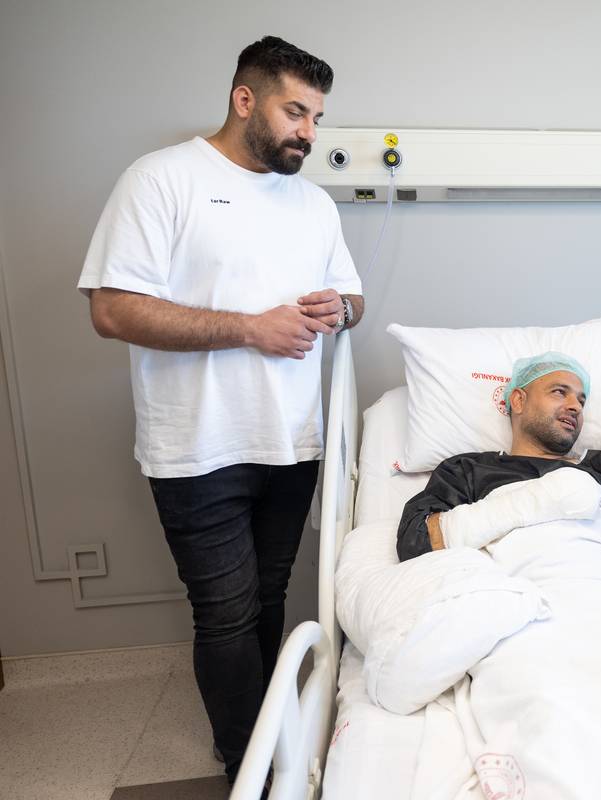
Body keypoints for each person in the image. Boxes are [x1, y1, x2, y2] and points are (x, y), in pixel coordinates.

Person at [78, 36, 363, 782]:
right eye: (294, 110)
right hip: (197, 446)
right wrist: (248, 327)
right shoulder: (162, 179)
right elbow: (111, 310)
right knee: (228, 612)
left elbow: (353, 297)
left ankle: (270, 727)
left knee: (267, 594)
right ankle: (250, 762)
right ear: (245, 99)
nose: (308, 131)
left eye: (317, 117)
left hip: (292, 440)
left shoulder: (313, 203)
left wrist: (342, 308)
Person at [396, 351, 601, 679]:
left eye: (582, 401)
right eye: (560, 392)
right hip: (523, 622)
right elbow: (418, 542)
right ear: (518, 400)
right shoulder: (469, 470)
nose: (575, 407)